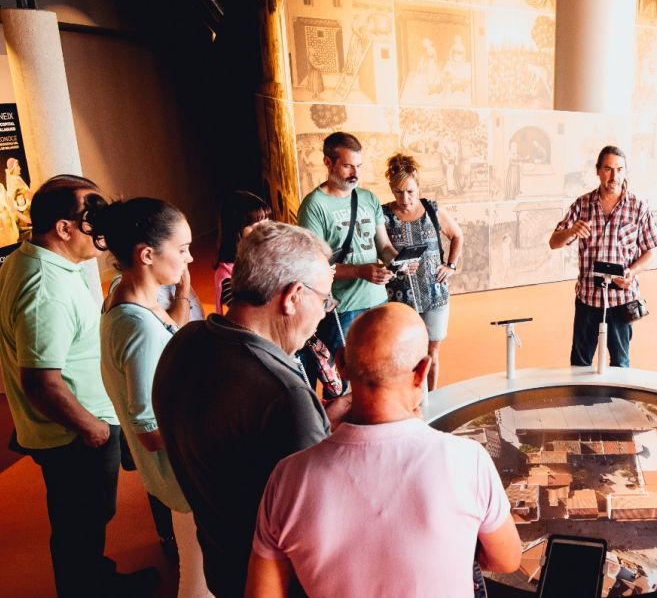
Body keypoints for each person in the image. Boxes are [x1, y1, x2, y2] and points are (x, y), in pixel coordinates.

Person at [246, 303, 521, 597]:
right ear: (422, 371)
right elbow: (506, 559)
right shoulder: (467, 460)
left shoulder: (288, 478)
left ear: (340, 363)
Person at [154, 222, 349, 597]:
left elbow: (238, 445)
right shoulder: (284, 395)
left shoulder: (185, 342)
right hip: (277, 582)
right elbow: (321, 518)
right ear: (292, 296)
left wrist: (322, 418)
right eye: (324, 300)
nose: (325, 313)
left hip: (222, 563)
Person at [0, 175, 158, 597]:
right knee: (81, 523)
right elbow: (41, 381)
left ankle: (97, 578)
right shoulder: (45, 288)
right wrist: (93, 428)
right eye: (93, 219)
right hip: (73, 434)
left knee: (83, 521)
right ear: (64, 228)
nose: (102, 231)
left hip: (73, 428)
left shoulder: (32, 259)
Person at [95, 198, 210, 598]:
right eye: (181, 250)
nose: (190, 258)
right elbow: (149, 430)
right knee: (200, 580)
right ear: (146, 254)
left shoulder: (125, 295)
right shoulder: (136, 325)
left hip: (179, 472)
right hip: (182, 471)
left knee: (198, 572)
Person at [548, 145, 657, 368]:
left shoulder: (639, 208)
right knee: (580, 364)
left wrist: (633, 271)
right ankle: (580, 402)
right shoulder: (582, 205)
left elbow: (651, 250)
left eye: (619, 169)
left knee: (620, 363)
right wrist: (571, 231)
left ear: (625, 172)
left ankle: (616, 405)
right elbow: (554, 242)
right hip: (588, 300)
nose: (614, 176)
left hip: (621, 300)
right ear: (597, 170)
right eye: (608, 169)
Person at [298, 131, 397, 360]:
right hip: (343, 308)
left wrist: (400, 261)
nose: (355, 174)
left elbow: (383, 246)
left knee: (378, 368)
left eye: (359, 166)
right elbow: (315, 267)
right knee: (341, 379)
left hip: (378, 300)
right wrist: (361, 271)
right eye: (348, 166)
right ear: (327, 162)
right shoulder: (314, 206)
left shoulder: (368, 198)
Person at [381, 153, 464, 391]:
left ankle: (432, 400)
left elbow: (457, 235)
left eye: (410, 191)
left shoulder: (432, 209)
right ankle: (409, 400)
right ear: (391, 188)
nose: (405, 198)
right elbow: (381, 251)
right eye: (398, 192)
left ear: (418, 186)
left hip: (435, 294)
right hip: (399, 297)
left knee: (432, 352)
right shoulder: (384, 215)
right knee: (404, 353)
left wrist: (451, 265)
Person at [213, 191, 273, 316]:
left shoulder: (265, 256)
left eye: (266, 224)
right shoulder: (227, 277)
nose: (265, 231)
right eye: (256, 226)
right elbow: (248, 314)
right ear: (236, 230)